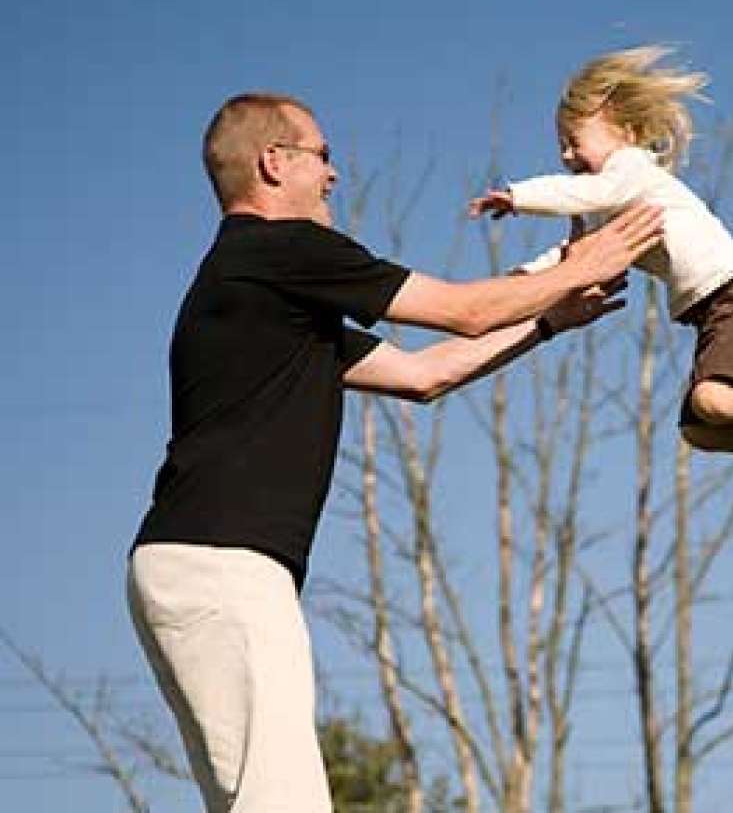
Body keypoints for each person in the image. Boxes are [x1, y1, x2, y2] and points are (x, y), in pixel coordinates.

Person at [127, 92, 663, 813]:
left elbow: (424, 373)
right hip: (225, 566)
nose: (334, 175)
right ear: (273, 162)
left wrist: (547, 318)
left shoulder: (265, 291)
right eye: (323, 155)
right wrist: (583, 262)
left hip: (189, 566)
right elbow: (464, 309)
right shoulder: (280, 250)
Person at [469, 45, 733, 509]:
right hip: (721, 311)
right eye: (560, 146)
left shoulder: (630, 169)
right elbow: (571, 259)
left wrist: (518, 196)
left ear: (625, 132)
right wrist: (516, 282)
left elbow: (585, 193)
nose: (566, 154)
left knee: (710, 398)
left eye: (573, 141)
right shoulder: (614, 212)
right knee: (700, 428)